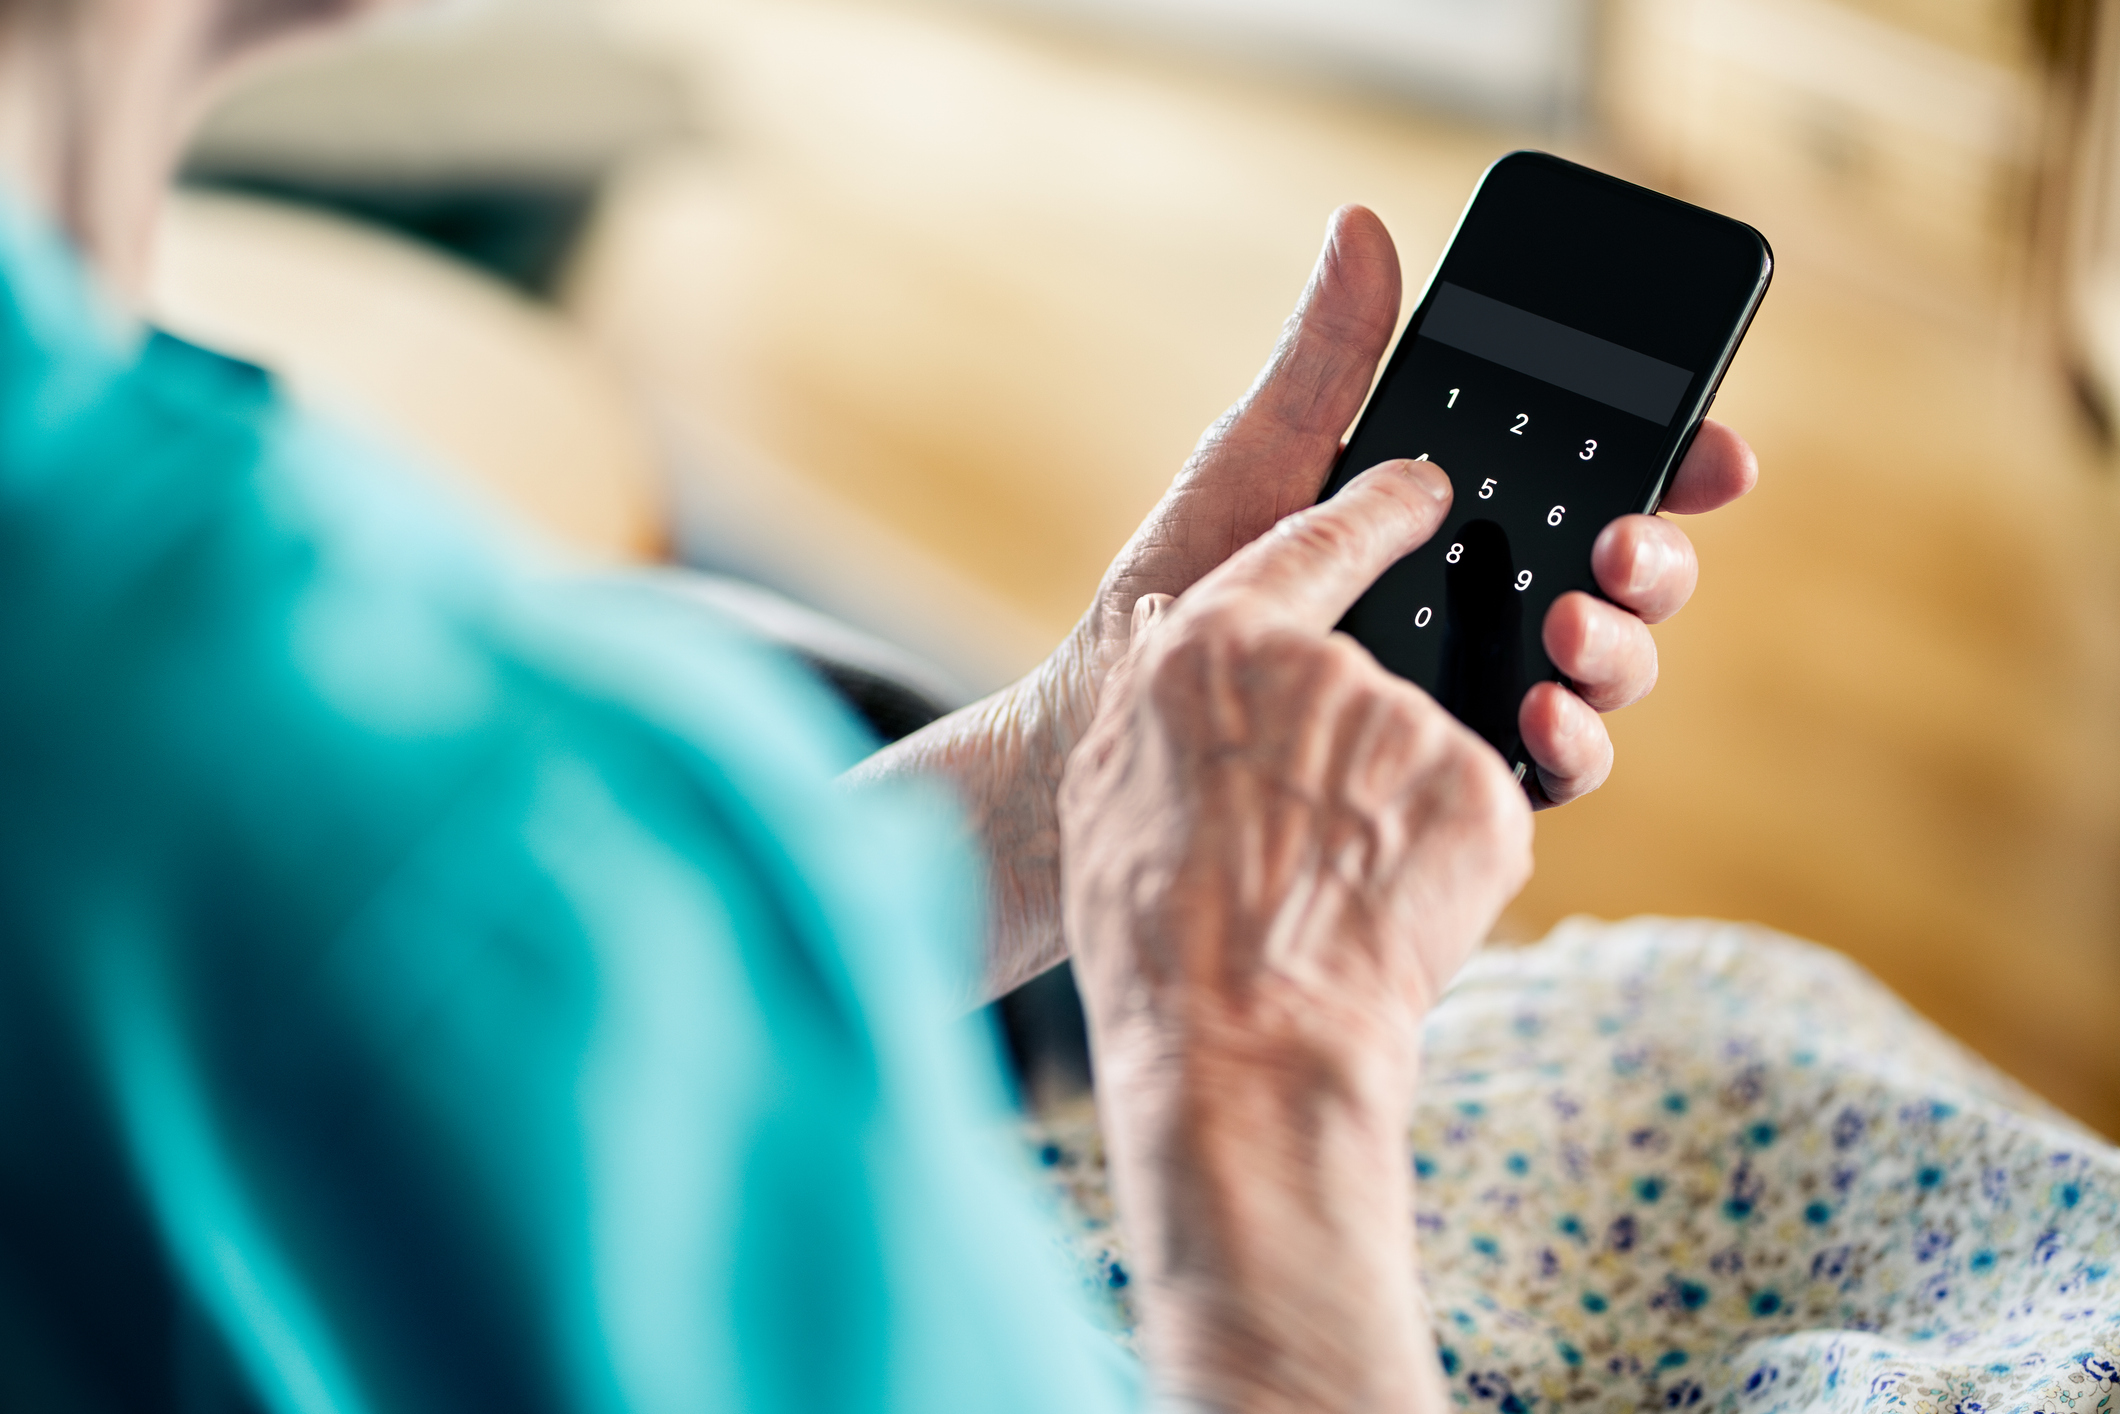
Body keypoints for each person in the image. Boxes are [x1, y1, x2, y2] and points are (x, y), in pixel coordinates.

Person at [10, 5, 2081, 1414]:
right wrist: (1260, 1063)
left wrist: (1050, 783)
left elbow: (505, 1029)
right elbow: (480, 961)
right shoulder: (444, 810)